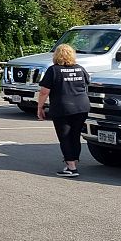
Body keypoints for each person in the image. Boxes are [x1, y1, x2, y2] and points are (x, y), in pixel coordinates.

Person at [35, 43, 91, 177]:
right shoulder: (80, 69)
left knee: (65, 137)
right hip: (82, 106)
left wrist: (40, 107)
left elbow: (44, 92)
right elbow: (87, 83)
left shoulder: (53, 70)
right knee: (75, 135)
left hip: (63, 107)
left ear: (56, 55)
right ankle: (73, 161)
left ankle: (71, 167)